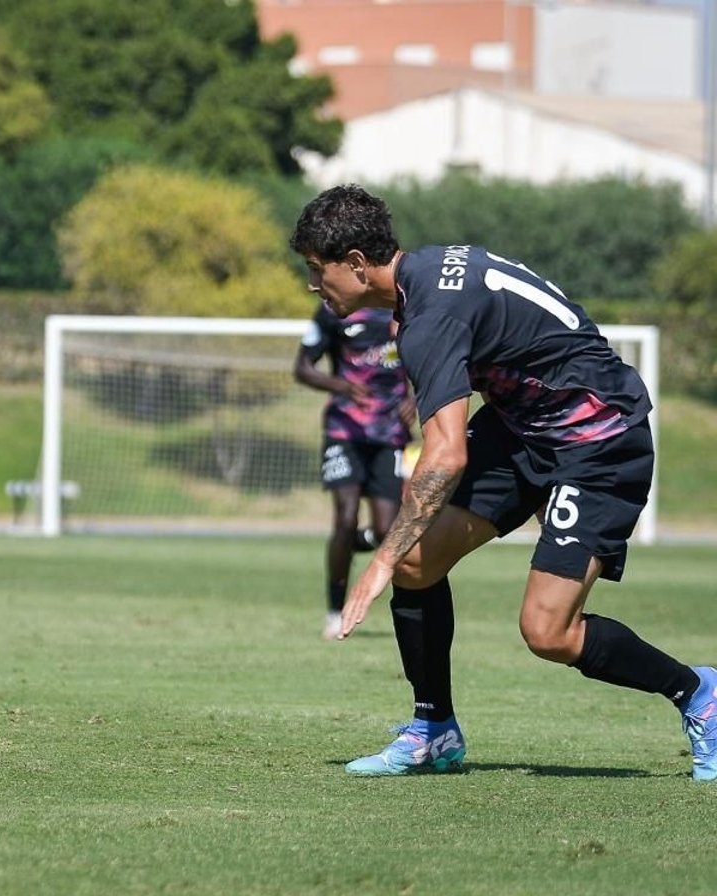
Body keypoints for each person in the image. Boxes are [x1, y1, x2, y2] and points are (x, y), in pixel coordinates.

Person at [288, 184, 717, 780]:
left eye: (317, 269)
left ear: (357, 265)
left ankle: (700, 694)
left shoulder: (428, 314)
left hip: (598, 442)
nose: (314, 283)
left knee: (548, 631)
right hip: (524, 429)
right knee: (418, 562)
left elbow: (446, 455)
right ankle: (433, 729)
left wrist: (380, 558)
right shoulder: (431, 272)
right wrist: (398, 553)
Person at [294, 300, 414, 640]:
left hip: (390, 434)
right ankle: (335, 610)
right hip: (343, 431)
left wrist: (415, 399)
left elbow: (428, 360)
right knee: (344, 518)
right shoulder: (333, 311)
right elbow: (302, 368)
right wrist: (342, 386)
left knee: (387, 530)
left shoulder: (401, 308)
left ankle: (348, 543)